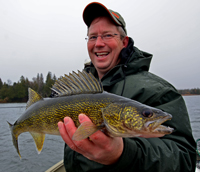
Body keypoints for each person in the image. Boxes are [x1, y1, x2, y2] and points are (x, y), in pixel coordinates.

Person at [57, 2, 196, 172]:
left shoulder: (159, 92)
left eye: (107, 35)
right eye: (93, 37)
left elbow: (183, 161)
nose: (98, 43)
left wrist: (124, 153)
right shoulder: (81, 90)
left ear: (124, 42)